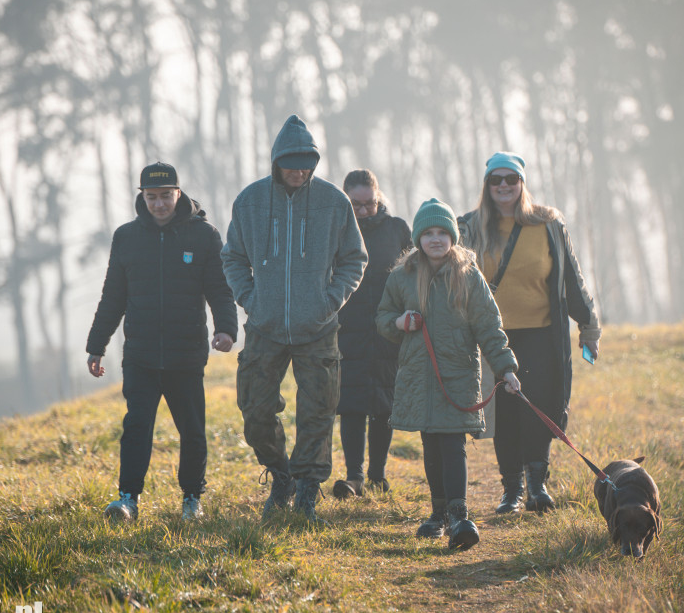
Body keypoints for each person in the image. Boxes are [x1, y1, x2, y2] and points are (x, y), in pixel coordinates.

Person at [222, 115, 368, 522]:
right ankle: (281, 474)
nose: (300, 170)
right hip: (265, 327)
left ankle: (307, 489)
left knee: (318, 412)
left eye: (307, 163)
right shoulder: (249, 201)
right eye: (292, 163)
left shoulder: (334, 202)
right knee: (255, 411)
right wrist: (250, 298)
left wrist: (330, 300)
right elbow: (233, 257)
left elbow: (354, 259)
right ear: (276, 162)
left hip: (318, 328)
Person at [86, 161, 238, 522]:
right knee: (136, 427)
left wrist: (226, 329)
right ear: (142, 197)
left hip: (186, 353)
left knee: (192, 429)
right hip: (139, 354)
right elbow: (113, 296)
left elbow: (219, 288)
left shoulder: (204, 236)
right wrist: (97, 345)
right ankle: (127, 500)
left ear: (179, 193)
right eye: (152, 197)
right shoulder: (126, 237)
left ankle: (191, 500)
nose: (159, 204)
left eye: (166, 196)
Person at [459, 151, 601, 514]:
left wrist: (588, 326)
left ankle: (538, 485)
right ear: (487, 186)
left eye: (511, 179)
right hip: (492, 337)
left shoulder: (550, 224)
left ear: (522, 183)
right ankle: (511, 491)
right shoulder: (469, 227)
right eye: (496, 180)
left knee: (540, 407)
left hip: (541, 333)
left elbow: (572, 279)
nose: (504, 186)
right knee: (504, 412)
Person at [376, 198, 521, 550]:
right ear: (418, 238)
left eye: (443, 232)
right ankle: (438, 512)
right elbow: (383, 319)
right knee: (431, 443)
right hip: (419, 377)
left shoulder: (469, 276)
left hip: (457, 376)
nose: (436, 239)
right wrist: (401, 321)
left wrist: (506, 368)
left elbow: (489, 326)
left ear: (453, 237)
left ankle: (459, 514)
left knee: (453, 443)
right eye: (428, 233)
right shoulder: (402, 277)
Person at [332, 170, 412, 499]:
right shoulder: (336, 231)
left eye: (370, 204)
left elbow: (412, 273)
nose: (365, 211)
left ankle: (378, 475)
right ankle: (355, 477)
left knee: (384, 403)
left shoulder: (397, 230)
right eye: (357, 206)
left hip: (388, 329)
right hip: (347, 328)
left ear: (379, 198)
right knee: (351, 404)